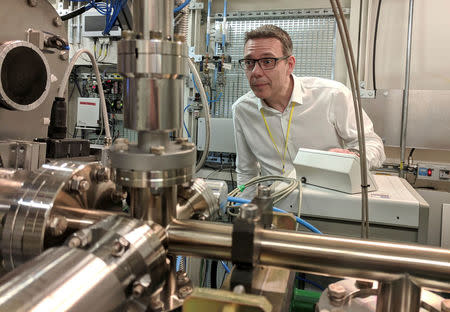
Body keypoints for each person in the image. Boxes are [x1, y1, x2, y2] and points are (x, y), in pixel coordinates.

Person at [232, 24, 386, 186]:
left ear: (290, 65)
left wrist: (353, 156)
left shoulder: (332, 95)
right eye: (249, 62)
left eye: (267, 61)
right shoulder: (243, 109)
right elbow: (246, 170)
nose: (255, 72)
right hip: (276, 204)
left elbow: (372, 143)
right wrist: (246, 208)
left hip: (327, 200)